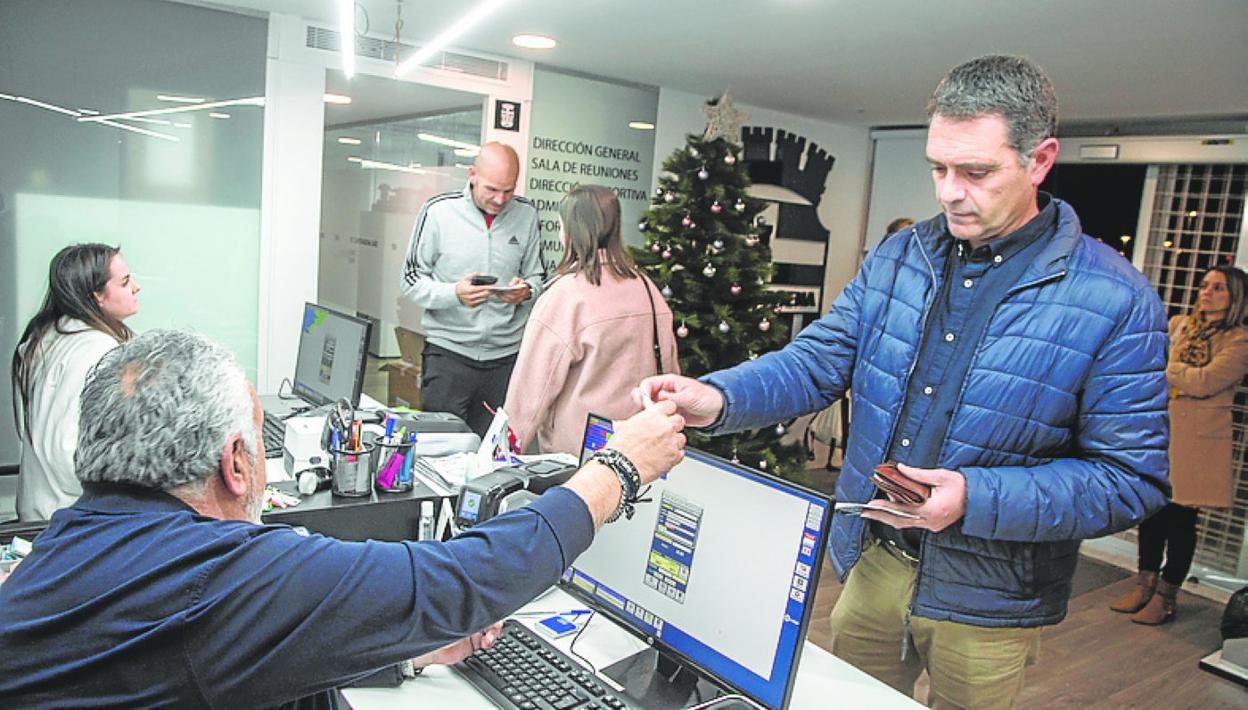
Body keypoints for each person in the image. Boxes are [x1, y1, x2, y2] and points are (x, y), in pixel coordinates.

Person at [637, 54, 1170, 708]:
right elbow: (817, 361)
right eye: (938, 169)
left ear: (1040, 159)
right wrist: (716, 397)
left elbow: (1131, 479)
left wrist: (974, 497)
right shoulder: (901, 256)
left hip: (989, 599)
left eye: (975, 172)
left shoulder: (1117, 299)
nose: (949, 191)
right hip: (874, 563)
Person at [0, 329, 685, 707]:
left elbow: (198, 665)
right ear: (236, 464)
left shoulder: (65, 544)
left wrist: (401, 656)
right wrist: (616, 470)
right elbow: (463, 578)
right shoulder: (218, 574)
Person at [1111, 265, 1248, 625]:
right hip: (1162, 430)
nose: (1207, 292)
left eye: (1218, 288)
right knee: (1152, 511)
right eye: (1204, 285)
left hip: (1198, 443)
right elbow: (1151, 365)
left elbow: (1205, 382)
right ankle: (1144, 584)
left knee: (1181, 520)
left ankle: (1166, 596)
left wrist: (1171, 371)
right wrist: (1176, 373)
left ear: (1235, 296)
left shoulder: (1238, 340)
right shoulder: (1180, 325)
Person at [504, 185, 680, 455]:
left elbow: (529, 396)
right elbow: (670, 376)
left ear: (571, 232)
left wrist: (499, 456)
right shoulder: (647, 289)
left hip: (579, 459)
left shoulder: (566, 295)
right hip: (640, 450)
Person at [400, 141, 545, 437]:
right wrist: (454, 294)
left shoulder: (526, 214)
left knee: (491, 459)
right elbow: (411, 281)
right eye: (492, 189)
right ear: (472, 175)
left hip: (505, 361)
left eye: (508, 190)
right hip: (449, 356)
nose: (500, 199)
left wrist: (526, 291)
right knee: (439, 450)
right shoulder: (438, 211)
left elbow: (539, 276)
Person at [9, 243, 140, 521]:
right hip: (70, 518)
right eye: (125, 282)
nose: (136, 287)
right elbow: (64, 449)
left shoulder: (45, 339)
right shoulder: (95, 348)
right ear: (96, 297)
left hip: (40, 511)